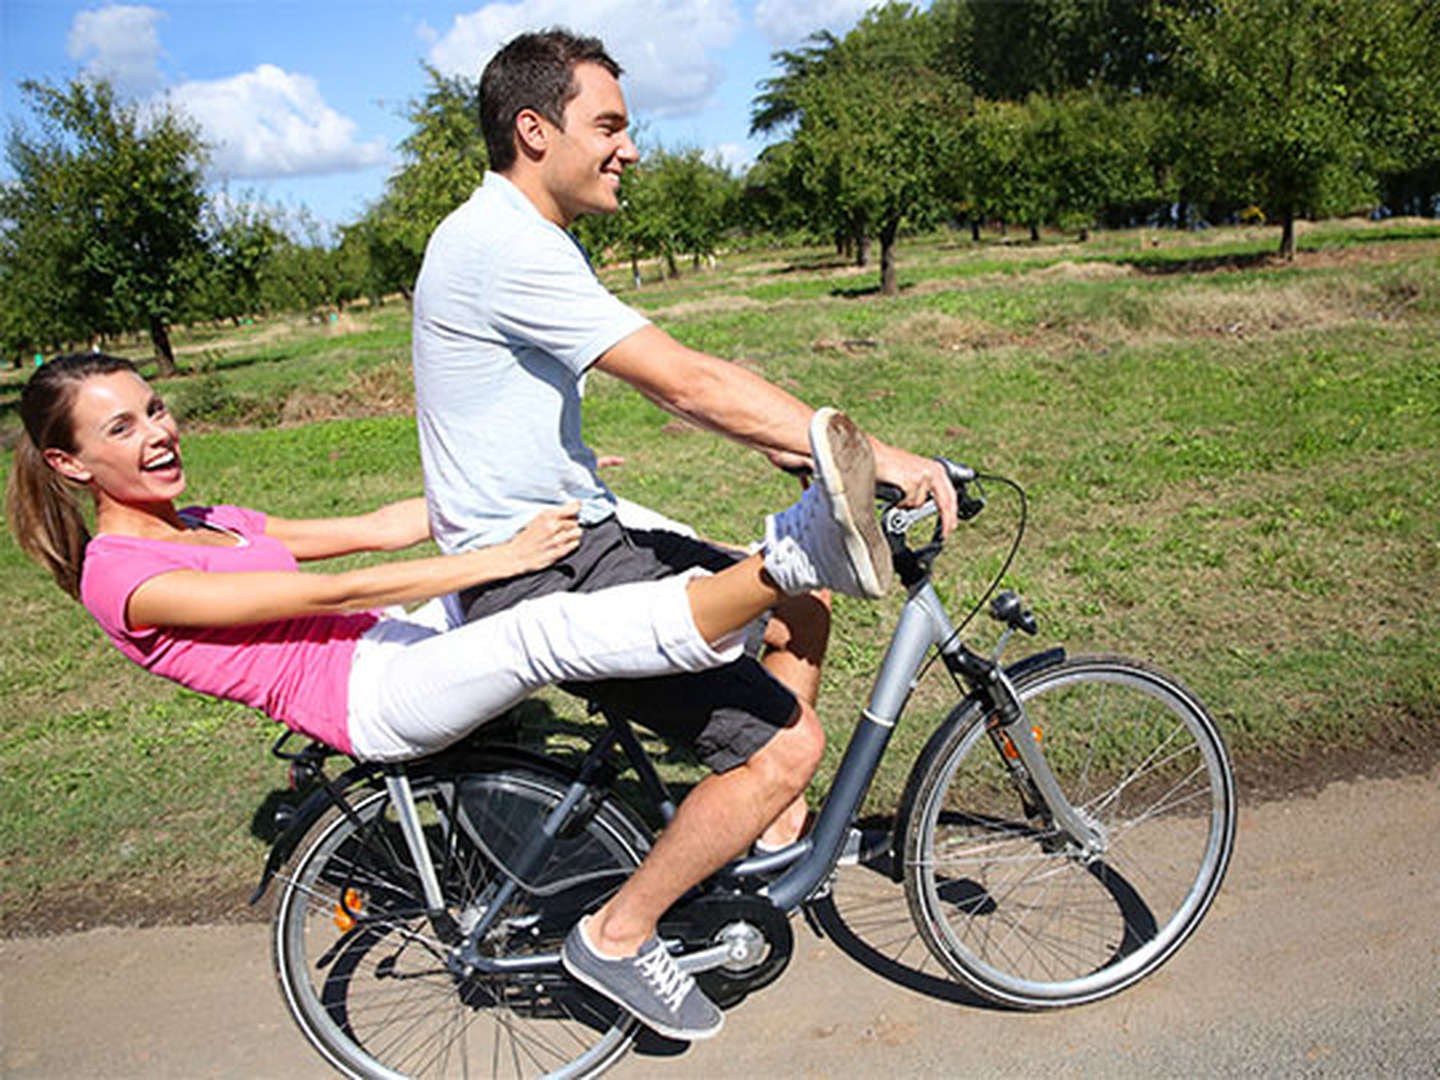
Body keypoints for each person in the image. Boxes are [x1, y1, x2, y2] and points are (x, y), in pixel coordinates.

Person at [6, 352, 891, 1037]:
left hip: (394, 642)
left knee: (603, 532)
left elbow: (370, 530)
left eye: (153, 410)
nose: (156, 434)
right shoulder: (119, 577)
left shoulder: (205, 522)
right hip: (370, 694)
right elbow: (326, 594)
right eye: (119, 429)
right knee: (533, 627)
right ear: (69, 463)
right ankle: (617, 937)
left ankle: (767, 814)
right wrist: (491, 558)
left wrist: (524, 484)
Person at [410, 27, 958, 1038]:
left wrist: (778, 442)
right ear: (535, 130)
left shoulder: (514, 237)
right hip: (547, 577)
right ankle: (618, 935)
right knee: (792, 746)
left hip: (574, 540)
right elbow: (681, 375)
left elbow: (677, 389)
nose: (629, 148)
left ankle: (762, 831)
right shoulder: (503, 246)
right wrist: (872, 456)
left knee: (802, 598)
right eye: (608, 125)